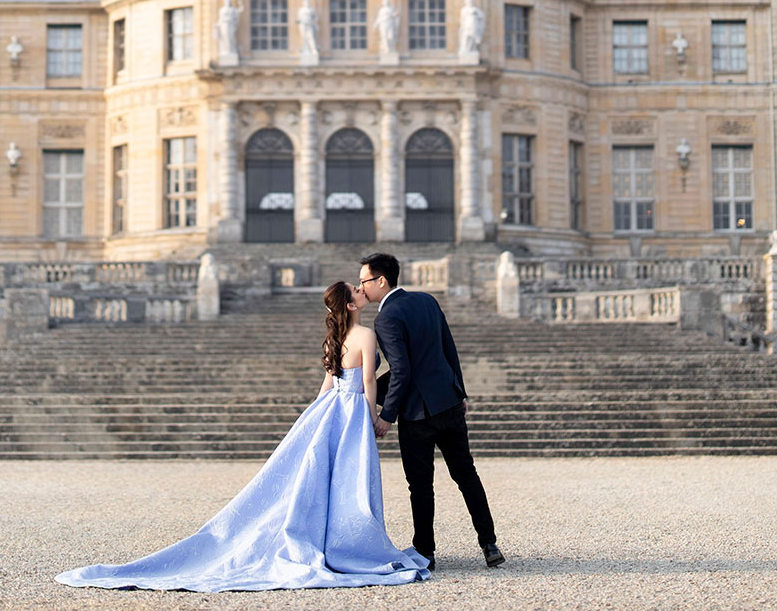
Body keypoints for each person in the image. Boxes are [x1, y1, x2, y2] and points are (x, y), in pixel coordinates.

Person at [56, 281, 429, 591]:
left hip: (330, 410)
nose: (362, 290)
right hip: (352, 412)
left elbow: (327, 384)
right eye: (356, 290)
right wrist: (374, 418)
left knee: (321, 480)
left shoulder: (336, 337)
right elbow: (368, 383)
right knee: (351, 480)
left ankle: (330, 540)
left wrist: (311, 418)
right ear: (349, 305)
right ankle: (350, 543)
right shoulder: (365, 334)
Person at [359, 251, 504, 569]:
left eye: (364, 281)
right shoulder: (427, 300)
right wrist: (459, 391)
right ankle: (489, 544)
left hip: (417, 414)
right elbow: (449, 348)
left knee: (421, 485)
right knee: (466, 475)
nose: (361, 288)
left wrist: (386, 416)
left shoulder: (386, 318)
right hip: (449, 403)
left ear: (381, 281)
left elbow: (402, 370)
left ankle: (426, 552)